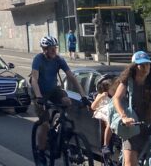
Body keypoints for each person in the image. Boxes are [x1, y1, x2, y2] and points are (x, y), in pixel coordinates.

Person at [31, 35, 85, 165]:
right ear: (44, 49)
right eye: (51, 48)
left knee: (67, 101)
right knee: (45, 124)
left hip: (53, 90)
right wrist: (39, 97)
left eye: (55, 48)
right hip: (39, 92)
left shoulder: (59, 59)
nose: (54, 50)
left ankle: (62, 127)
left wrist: (83, 96)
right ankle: (41, 152)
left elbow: (71, 77)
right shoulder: (38, 59)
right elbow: (34, 79)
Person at [90, 76, 116, 157]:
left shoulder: (115, 97)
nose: (115, 91)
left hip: (110, 113)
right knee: (110, 123)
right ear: (107, 90)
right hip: (101, 113)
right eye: (113, 89)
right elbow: (93, 107)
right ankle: (105, 145)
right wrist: (101, 97)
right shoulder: (100, 96)